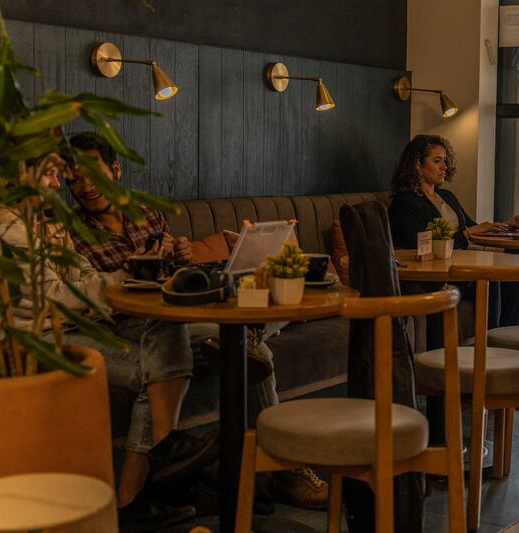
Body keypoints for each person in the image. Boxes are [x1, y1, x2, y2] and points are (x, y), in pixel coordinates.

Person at [67, 133, 329, 513]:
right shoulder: (71, 231)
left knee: (247, 348)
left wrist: (181, 254)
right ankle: (279, 471)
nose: (86, 186)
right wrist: (130, 269)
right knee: (250, 348)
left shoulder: (147, 212)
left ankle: (254, 474)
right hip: (125, 325)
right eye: (75, 179)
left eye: (93, 172)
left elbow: (178, 274)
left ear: (116, 169)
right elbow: (90, 297)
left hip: (174, 319)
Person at [0, 150, 204, 530]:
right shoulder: (8, 230)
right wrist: (124, 276)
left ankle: (152, 476)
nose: (60, 185)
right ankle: (150, 476)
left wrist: (125, 273)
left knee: (167, 330)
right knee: (155, 371)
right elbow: (58, 298)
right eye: (52, 176)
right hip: (41, 340)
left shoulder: (44, 223)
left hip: (78, 325)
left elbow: (82, 275)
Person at [388, 134, 519, 329]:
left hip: (458, 266)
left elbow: (470, 226)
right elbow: (422, 246)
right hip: (437, 276)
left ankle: (506, 338)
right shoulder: (406, 203)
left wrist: (503, 226)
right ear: (417, 164)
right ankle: (489, 344)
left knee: (513, 277)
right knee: (490, 280)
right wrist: (467, 234)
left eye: (445, 160)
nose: (444, 166)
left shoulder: (446, 196)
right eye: (437, 161)